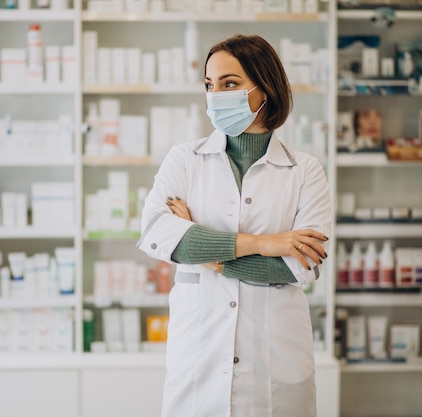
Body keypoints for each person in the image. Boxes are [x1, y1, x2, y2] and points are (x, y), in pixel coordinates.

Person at [136, 34, 331, 417]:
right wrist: (267, 243)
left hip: (275, 364)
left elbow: (299, 267)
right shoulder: (185, 160)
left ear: (266, 88)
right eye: (210, 86)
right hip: (200, 363)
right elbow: (159, 236)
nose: (216, 96)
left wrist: (210, 257)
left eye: (230, 84)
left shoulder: (305, 171)